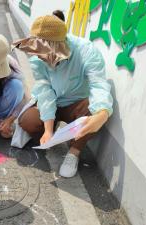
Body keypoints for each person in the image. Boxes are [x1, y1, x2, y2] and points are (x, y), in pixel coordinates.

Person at [12, 13, 113, 178]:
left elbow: (99, 84)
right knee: (28, 122)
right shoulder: (37, 59)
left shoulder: (86, 51)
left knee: (93, 116)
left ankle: (74, 152)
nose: (39, 57)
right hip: (54, 99)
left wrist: (102, 113)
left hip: (77, 102)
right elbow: (45, 91)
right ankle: (49, 133)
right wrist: (48, 130)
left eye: (44, 53)